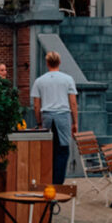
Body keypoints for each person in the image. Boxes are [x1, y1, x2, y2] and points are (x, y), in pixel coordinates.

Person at [31, 51, 78, 184]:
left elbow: (36, 105)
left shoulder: (39, 81)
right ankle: (58, 183)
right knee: (62, 150)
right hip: (63, 116)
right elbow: (73, 103)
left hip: (47, 116)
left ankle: (47, 180)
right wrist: (75, 122)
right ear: (59, 62)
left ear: (47, 63)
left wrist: (39, 122)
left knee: (47, 150)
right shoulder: (68, 79)